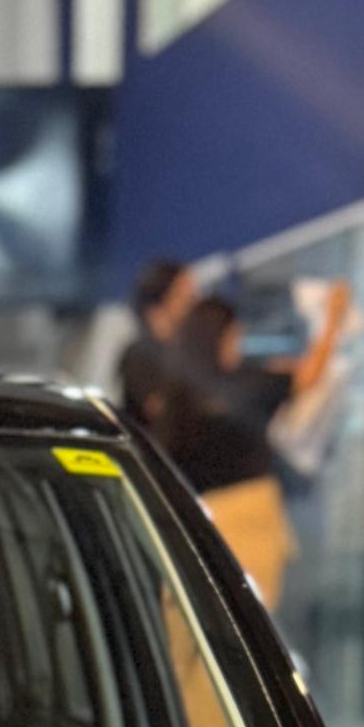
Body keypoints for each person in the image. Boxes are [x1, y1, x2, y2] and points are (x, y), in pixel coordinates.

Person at [118, 259, 293, 608]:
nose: (194, 302)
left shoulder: (194, 368)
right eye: (185, 295)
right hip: (173, 504)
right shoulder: (145, 358)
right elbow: (165, 417)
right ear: (158, 308)